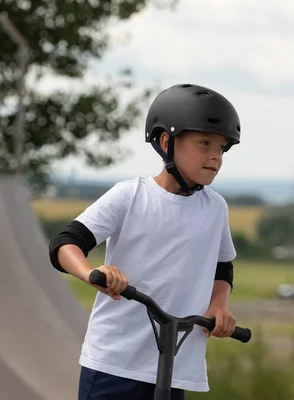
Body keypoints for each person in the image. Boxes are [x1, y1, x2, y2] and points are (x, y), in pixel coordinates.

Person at [48, 83, 242, 400]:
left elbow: (222, 266)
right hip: (116, 362)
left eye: (221, 148)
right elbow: (65, 243)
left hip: (176, 366)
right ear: (167, 142)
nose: (215, 156)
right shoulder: (131, 196)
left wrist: (218, 305)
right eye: (204, 143)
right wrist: (93, 274)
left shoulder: (215, 208)